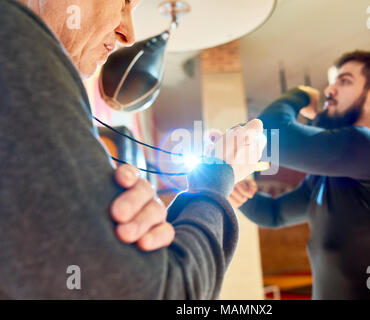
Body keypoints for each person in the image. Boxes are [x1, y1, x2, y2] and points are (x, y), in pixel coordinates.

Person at [0, 0, 265, 298]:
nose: (128, 33)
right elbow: (167, 293)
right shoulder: (15, 43)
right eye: (125, 2)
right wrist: (218, 178)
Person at [229, 51, 370, 300]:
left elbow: (269, 134)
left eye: (344, 81)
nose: (329, 89)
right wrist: (240, 193)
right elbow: (273, 215)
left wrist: (300, 94)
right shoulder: (328, 177)